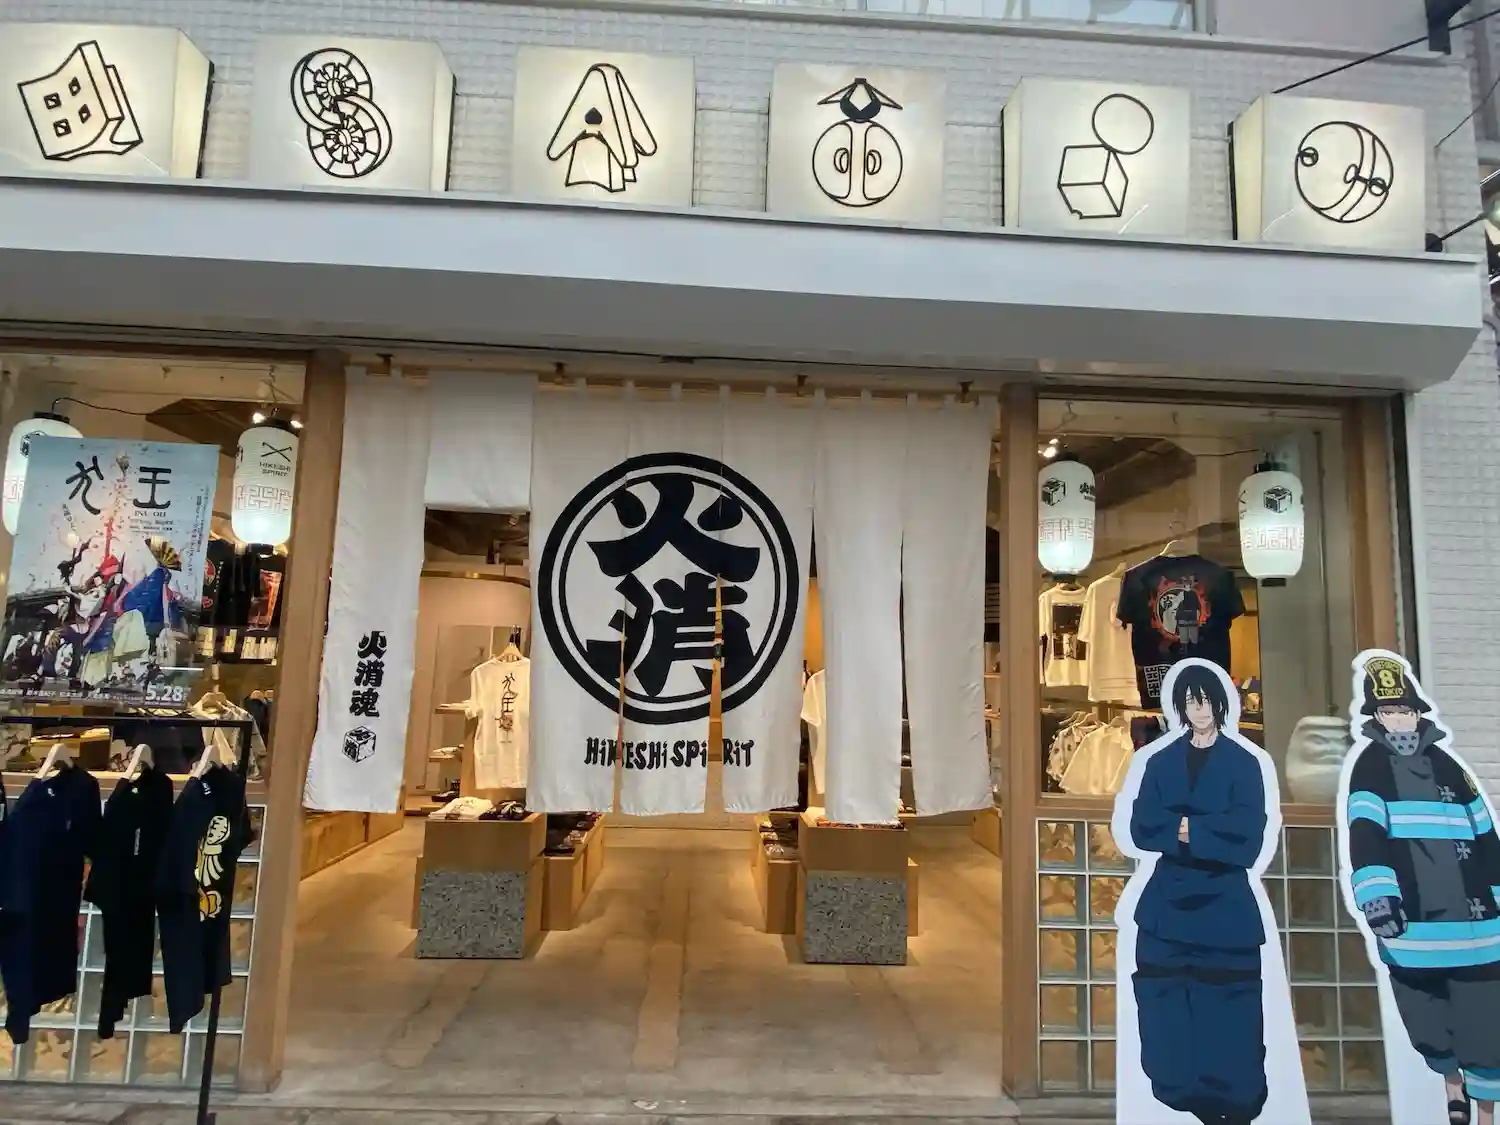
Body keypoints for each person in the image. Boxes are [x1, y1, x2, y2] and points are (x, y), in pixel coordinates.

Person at [1342, 653, 1500, 1125]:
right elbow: (1365, 835)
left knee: (1485, 1024)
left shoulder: (1451, 768)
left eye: (1404, 710)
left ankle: (1486, 1113)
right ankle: (1453, 1086)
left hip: (1475, 925)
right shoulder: (1369, 769)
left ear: (1417, 713)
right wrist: (1377, 896)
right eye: (1388, 711)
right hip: (1411, 925)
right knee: (1426, 1016)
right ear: (1376, 717)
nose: (1398, 719)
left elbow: (1485, 834)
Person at [1126, 661, 1270, 1125]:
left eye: (1206, 700)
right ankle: (1178, 1089)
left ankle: (1231, 1097)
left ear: (1220, 704)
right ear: (1180, 707)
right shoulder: (1159, 761)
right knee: (1166, 1001)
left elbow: (1247, 836)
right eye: (1190, 701)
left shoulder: (1244, 764)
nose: (1199, 709)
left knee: (1228, 1006)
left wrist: (1184, 828)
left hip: (1225, 906)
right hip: (1166, 904)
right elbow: (1142, 827)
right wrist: (1205, 829)